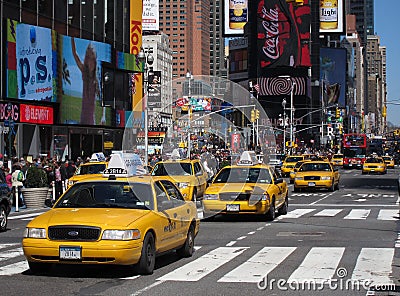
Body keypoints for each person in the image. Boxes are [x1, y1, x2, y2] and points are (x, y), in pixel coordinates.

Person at [71, 37, 99, 125]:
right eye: (88, 58)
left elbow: (103, 98)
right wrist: (72, 38)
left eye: (92, 59)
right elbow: (75, 54)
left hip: (91, 120)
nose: (90, 62)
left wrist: (103, 117)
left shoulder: (96, 79)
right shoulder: (84, 72)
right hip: (82, 118)